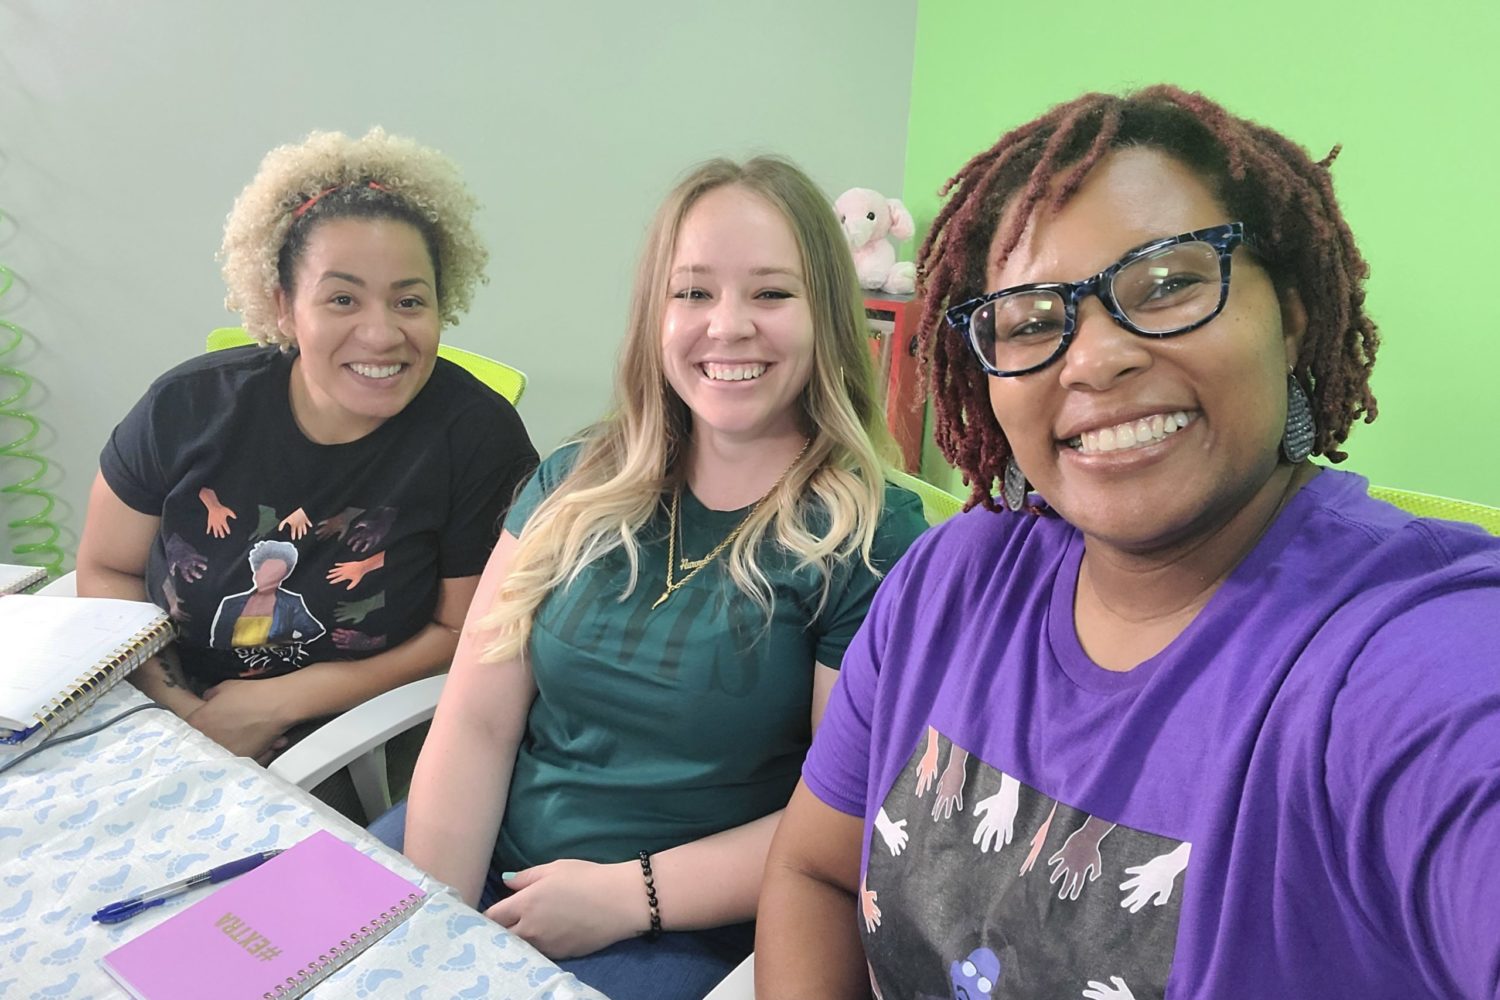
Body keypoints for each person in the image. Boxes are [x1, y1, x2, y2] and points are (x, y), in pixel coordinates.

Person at [756, 86, 1500, 999]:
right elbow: (815, 871)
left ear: (1292, 312)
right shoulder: (950, 578)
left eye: (1171, 284)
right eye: (1032, 321)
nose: (1096, 357)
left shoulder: (1407, 649)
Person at [389, 156, 928, 1000]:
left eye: (771, 293)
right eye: (694, 292)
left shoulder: (869, 540)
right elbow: (477, 723)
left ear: (826, 314)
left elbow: (842, 820)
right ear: (656, 313)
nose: (729, 326)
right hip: (481, 865)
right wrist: (433, 929)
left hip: (680, 926)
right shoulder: (575, 479)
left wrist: (627, 896)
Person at [76, 128, 538, 769]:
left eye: (409, 301)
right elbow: (108, 569)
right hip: (159, 711)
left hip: (355, 738)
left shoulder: (478, 437)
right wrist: (179, 711)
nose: (381, 333)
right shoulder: (183, 408)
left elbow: (463, 630)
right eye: (342, 299)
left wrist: (278, 703)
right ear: (284, 307)